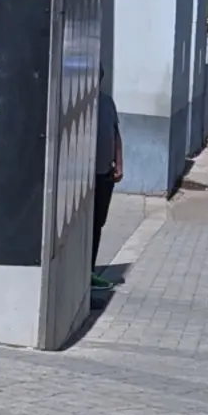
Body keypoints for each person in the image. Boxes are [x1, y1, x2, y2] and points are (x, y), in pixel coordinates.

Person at [92, 77, 122, 287]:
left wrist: (119, 163)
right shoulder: (81, 103)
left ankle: (89, 270)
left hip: (105, 174)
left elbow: (116, 134)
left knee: (97, 224)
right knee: (85, 226)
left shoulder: (107, 102)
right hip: (84, 178)